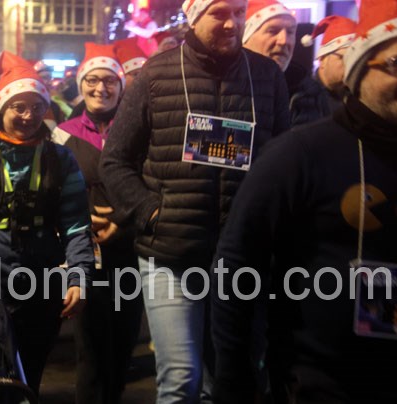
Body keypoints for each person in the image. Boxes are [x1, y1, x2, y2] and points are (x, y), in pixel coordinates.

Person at [211, 0, 397, 402]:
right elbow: (237, 266)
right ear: (360, 69)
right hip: (318, 385)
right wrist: (234, 381)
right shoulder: (301, 154)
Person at [100, 0, 291, 402]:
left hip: (241, 256)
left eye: (238, 12)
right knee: (181, 379)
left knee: (232, 381)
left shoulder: (267, 77)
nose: (232, 23)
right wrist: (151, 212)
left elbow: (282, 163)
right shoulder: (156, 74)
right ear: (194, 14)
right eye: (219, 13)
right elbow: (115, 161)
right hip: (170, 253)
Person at [0, 51, 94, 394]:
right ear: (1, 108)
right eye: (18, 107)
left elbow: (76, 224)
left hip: (40, 282)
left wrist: (79, 276)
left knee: (29, 374)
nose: (29, 115)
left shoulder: (61, 159)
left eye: (36, 107)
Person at [52, 43, 142, 404]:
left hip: (131, 249)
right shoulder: (62, 134)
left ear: (121, 86)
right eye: (92, 80)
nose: (100, 88)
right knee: (89, 349)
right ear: (81, 84)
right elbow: (52, 190)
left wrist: (123, 220)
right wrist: (79, 219)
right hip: (85, 253)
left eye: (109, 80)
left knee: (123, 344)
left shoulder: (138, 129)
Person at [243, 0, 330, 126]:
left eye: (290, 32)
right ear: (245, 38)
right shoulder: (224, 87)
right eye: (273, 31)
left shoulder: (311, 95)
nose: (284, 41)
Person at [301, 16, 357, 113]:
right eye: (344, 58)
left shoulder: (356, 96)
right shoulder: (305, 100)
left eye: (354, 60)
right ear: (322, 59)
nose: (351, 66)